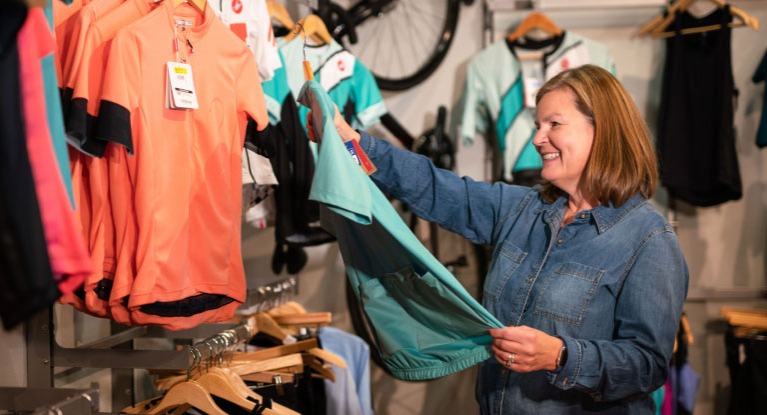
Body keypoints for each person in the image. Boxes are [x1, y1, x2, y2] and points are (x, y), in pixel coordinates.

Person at [306, 64, 689, 414]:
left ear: (602, 129)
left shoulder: (648, 239)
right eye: (537, 125)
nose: (538, 139)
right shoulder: (523, 208)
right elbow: (435, 187)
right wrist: (352, 143)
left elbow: (647, 366)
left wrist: (559, 355)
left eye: (553, 124)